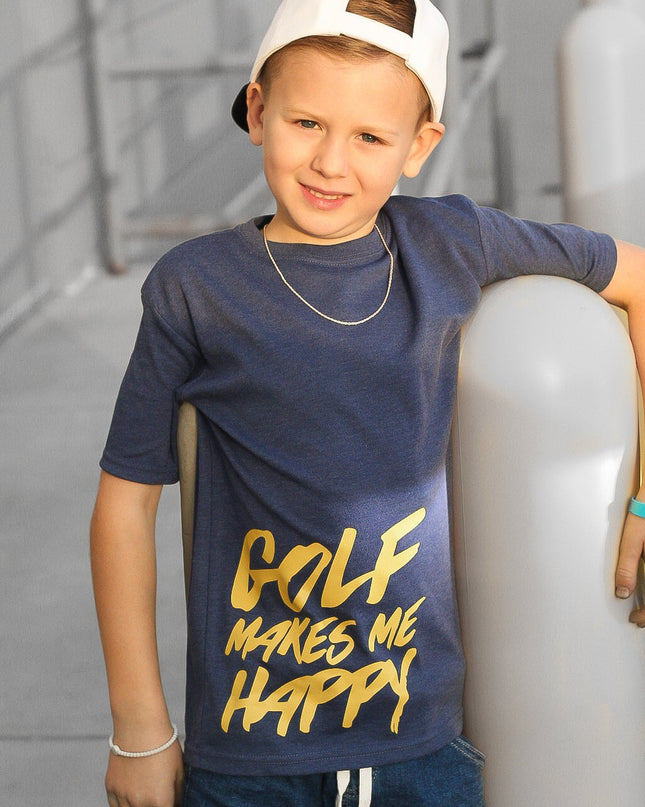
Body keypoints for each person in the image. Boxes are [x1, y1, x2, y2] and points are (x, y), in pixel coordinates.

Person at [90, 1, 645, 805]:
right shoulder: (194, 285)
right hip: (249, 759)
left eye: (370, 138)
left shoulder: (449, 243)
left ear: (419, 146)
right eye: (306, 121)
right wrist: (139, 726)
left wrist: (642, 497)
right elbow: (123, 503)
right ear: (256, 109)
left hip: (422, 752)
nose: (330, 162)